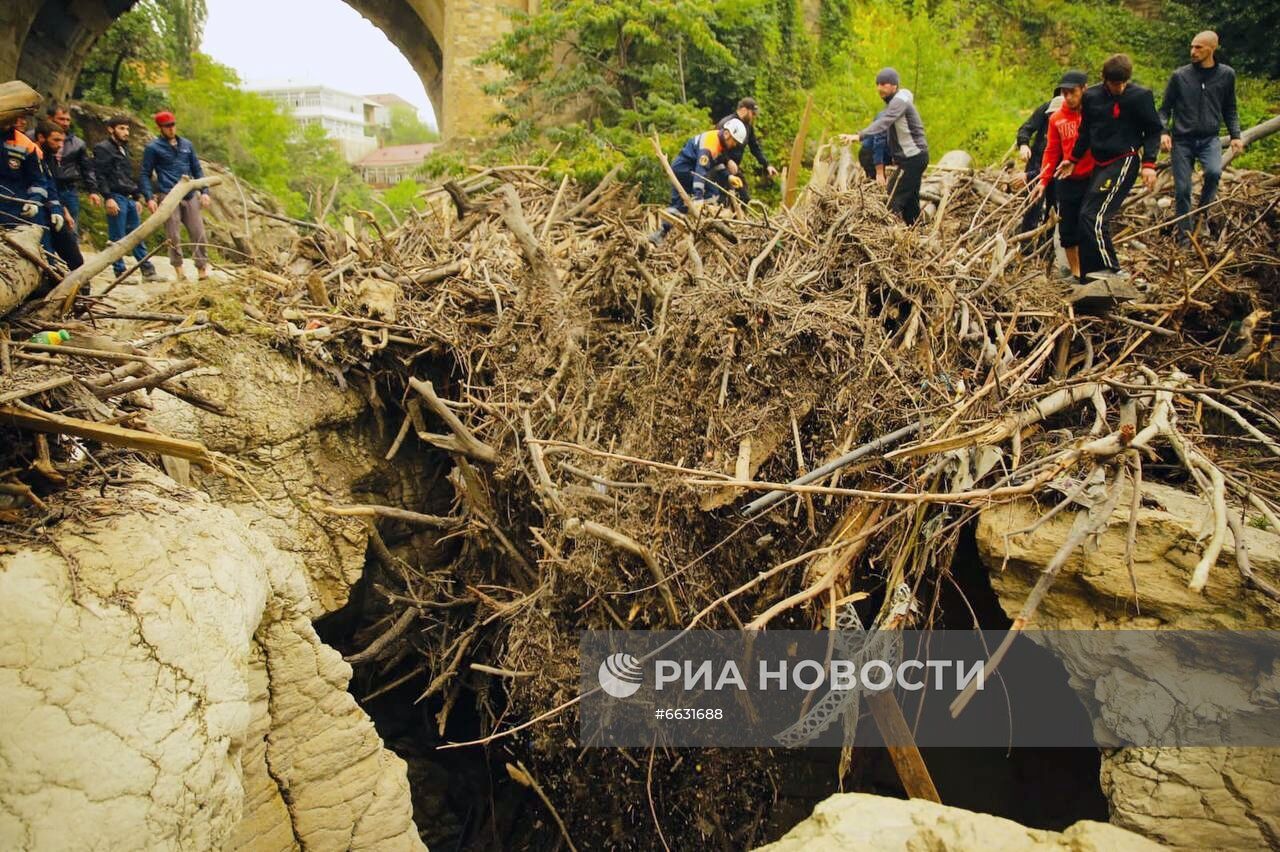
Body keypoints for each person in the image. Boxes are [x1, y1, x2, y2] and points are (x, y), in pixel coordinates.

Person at [1055, 54, 1162, 284]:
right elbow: (1085, 132)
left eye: (1123, 83)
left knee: (1095, 215)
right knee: (1085, 215)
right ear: (1105, 80)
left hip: (1124, 159)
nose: (1119, 88)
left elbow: (1153, 131)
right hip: (1100, 162)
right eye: (1115, 84)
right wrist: (1072, 159)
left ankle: (1111, 270)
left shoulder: (1140, 97)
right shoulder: (1092, 97)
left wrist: (1149, 164)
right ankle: (1089, 274)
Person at [1159, 30, 1244, 238]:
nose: (1193, 51)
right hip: (1182, 140)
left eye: (1198, 47)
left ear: (1212, 48)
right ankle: (1184, 237)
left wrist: (1235, 136)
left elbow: (1230, 108)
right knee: (1182, 190)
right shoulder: (1180, 76)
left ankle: (1201, 216)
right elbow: (1164, 109)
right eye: (1192, 46)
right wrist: (1164, 132)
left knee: (1214, 173)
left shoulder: (1226, 75)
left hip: (1209, 139)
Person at [840, 68, 930, 225]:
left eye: (884, 84)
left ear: (894, 86)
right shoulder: (898, 102)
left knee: (892, 199)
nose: (879, 88)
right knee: (910, 201)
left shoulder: (899, 102)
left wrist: (858, 136)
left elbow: (883, 123)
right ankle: (917, 230)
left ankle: (893, 238)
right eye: (877, 84)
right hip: (914, 158)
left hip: (913, 159)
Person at [1031, 71, 1091, 279]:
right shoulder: (1057, 118)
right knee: (1067, 230)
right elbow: (1051, 151)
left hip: (1093, 176)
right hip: (1068, 179)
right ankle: (1077, 274)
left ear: (1084, 89)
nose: (1068, 97)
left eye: (1072, 92)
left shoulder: (1093, 113)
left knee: (1089, 222)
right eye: (1064, 93)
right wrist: (1043, 180)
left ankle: (1092, 269)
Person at [648, 118, 747, 244]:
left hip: (687, 169)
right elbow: (700, 173)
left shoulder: (719, 142)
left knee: (681, 205)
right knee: (709, 195)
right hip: (684, 171)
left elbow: (716, 164)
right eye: (734, 142)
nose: (734, 145)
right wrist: (698, 198)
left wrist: (728, 177)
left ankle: (660, 234)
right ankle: (706, 230)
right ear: (727, 134)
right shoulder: (710, 144)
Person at [141, 110, 211, 281]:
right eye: (167, 126)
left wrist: (205, 191)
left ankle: (202, 269)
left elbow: (197, 168)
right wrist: (149, 197)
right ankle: (179, 271)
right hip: (168, 194)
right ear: (160, 128)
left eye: (173, 125)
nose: (171, 129)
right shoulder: (153, 148)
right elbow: (145, 173)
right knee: (173, 235)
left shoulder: (186, 145)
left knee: (198, 232)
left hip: (189, 193)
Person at [93, 116, 157, 280]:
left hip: (128, 197)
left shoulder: (124, 148)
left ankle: (147, 270)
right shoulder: (103, 148)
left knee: (136, 235)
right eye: (121, 128)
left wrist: (136, 197)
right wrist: (108, 197)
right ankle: (120, 272)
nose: (126, 132)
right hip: (115, 196)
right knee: (117, 237)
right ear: (111, 129)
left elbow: (127, 175)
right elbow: (100, 175)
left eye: (127, 129)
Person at [32, 121, 83, 270]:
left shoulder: (50, 158)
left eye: (62, 140)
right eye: (56, 140)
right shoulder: (30, 154)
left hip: (54, 209)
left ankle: (81, 282)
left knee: (73, 253)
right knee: (46, 254)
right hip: (35, 211)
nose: (60, 145)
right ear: (41, 137)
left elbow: (53, 185)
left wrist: (62, 209)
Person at [1015, 86, 1062, 237]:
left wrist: (1028, 175)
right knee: (1032, 205)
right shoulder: (1046, 109)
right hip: (1037, 160)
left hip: (1058, 168)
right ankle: (1026, 245)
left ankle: (1047, 246)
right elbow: (1026, 128)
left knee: (1054, 206)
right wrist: (1023, 144)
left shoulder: (1075, 119)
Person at [45, 104, 102, 226]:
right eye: (61, 119)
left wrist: (93, 190)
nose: (65, 123)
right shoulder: (39, 137)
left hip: (68, 189)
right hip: (47, 186)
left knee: (71, 228)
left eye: (68, 119)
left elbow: (87, 168)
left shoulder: (78, 143)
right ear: (50, 118)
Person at [713, 98, 778, 202]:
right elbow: (715, 146)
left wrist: (767, 165)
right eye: (753, 113)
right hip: (719, 167)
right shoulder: (726, 123)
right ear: (744, 110)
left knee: (744, 198)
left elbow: (755, 148)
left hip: (734, 168)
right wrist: (728, 161)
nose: (754, 116)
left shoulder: (748, 127)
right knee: (722, 199)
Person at [1, 109, 48, 230]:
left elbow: (38, 180)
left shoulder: (25, 144)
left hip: (12, 211)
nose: (22, 121)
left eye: (23, 117)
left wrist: (33, 201)